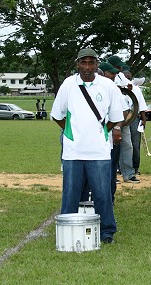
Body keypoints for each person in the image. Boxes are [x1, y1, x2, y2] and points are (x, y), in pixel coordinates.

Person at [51, 48, 123, 244]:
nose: (87, 67)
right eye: (84, 62)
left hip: (99, 151)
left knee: (102, 194)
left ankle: (107, 232)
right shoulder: (68, 84)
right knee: (70, 193)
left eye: (91, 63)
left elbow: (116, 117)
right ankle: (66, 229)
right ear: (78, 64)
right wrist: (70, 132)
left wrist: (101, 133)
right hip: (73, 151)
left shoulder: (108, 85)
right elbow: (58, 115)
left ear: (97, 64)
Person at [99, 61, 130, 199]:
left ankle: (109, 198)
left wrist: (116, 127)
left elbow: (124, 110)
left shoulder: (113, 88)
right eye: (111, 73)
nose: (113, 76)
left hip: (110, 136)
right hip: (91, 139)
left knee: (110, 169)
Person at [123, 70, 147, 176]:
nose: (128, 78)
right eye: (125, 77)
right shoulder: (118, 89)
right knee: (122, 144)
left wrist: (143, 119)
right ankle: (121, 167)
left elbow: (141, 105)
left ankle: (135, 167)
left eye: (129, 77)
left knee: (135, 144)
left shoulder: (136, 89)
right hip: (121, 119)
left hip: (134, 119)